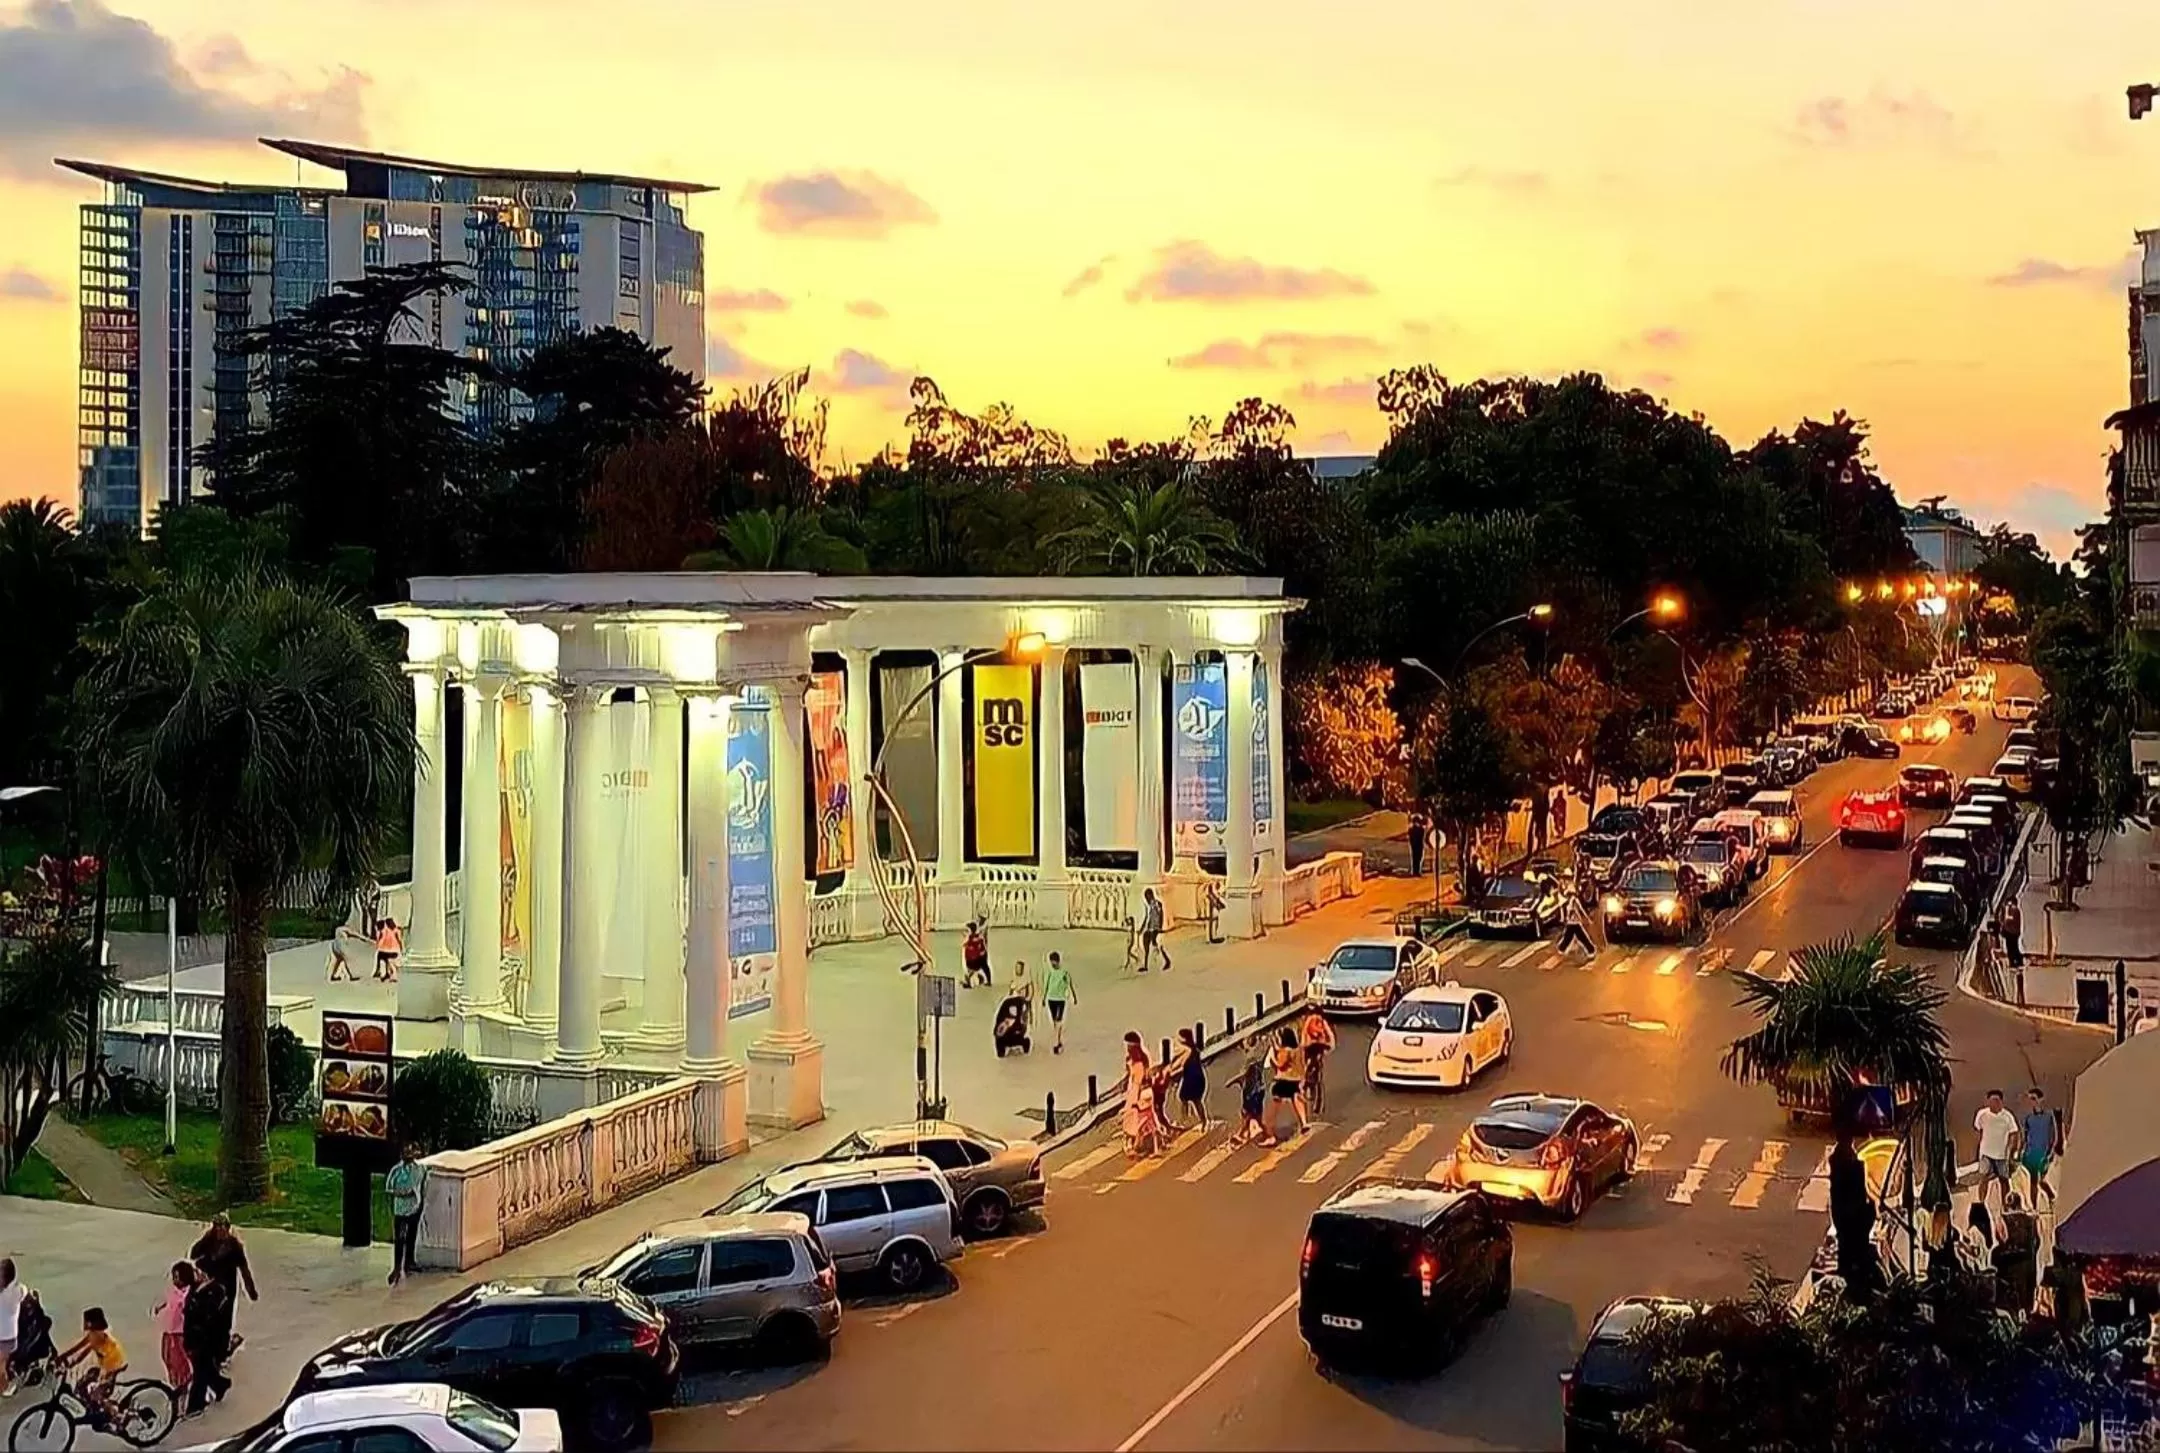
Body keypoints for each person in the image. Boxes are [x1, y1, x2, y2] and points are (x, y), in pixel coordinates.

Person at [188, 1213, 257, 1359]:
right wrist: (204, 1239)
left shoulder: (235, 1246)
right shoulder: (207, 1242)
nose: (220, 1230)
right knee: (206, 1317)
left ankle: (222, 1348)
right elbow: (193, 1255)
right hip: (208, 1286)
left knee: (224, 1319)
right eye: (217, 1227)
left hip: (227, 1287)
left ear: (228, 1228)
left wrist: (250, 1290)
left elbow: (244, 1269)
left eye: (222, 1227)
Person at [57, 1307, 125, 1423]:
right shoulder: (94, 1335)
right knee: (81, 1385)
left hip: (112, 1367)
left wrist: (70, 1361)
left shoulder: (101, 1338)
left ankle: (116, 1415)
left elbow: (86, 1351)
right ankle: (92, 1408)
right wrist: (63, 1358)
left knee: (96, 1394)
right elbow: (79, 1348)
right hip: (105, 1365)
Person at [181, 1265, 231, 1414]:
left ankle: (195, 1407)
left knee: (199, 1374)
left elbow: (210, 1318)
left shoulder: (216, 1291)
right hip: (193, 1336)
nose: (195, 1273)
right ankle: (220, 1384)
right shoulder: (195, 1288)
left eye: (198, 1271)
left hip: (206, 1338)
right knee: (204, 1368)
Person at [386, 1144, 427, 1285]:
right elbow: (389, 1188)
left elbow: (420, 1185)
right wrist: (399, 1193)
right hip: (400, 1209)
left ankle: (409, 1262)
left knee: (411, 1235)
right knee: (399, 1238)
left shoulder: (420, 1169)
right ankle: (397, 1267)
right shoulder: (396, 1170)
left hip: (414, 1207)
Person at [2017, 1087, 2064, 1210]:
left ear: (2040, 1100)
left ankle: (2051, 1197)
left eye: (2034, 1099)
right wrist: (2021, 1150)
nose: (2031, 1102)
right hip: (2031, 1152)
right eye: (2030, 1099)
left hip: (2044, 1152)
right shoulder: (2028, 1118)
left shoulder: (2049, 1116)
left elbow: (2054, 1134)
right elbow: (2024, 1136)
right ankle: (2034, 1208)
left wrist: (2052, 1150)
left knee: (2040, 1179)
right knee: (2033, 1181)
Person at [153, 1263, 193, 1394]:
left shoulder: (188, 1294)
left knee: (179, 1361)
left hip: (179, 1332)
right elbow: (169, 1301)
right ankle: (174, 1382)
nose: (174, 1280)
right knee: (166, 1357)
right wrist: (160, 1307)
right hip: (168, 1329)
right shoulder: (173, 1290)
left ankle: (184, 1385)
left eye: (177, 1277)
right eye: (173, 1277)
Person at [1974, 1089, 2018, 1207]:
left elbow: (2014, 1133)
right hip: (1986, 1153)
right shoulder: (1982, 1115)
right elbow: (1978, 1130)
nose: (1994, 1103)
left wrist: (2011, 1151)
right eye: (1992, 1100)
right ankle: (1981, 1204)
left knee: (2004, 1180)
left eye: (1997, 1100)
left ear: (2001, 1102)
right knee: (1984, 1178)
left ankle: (2005, 1205)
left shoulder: (2007, 1116)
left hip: (2001, 1154)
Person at [1120, 1040, 1160, 1159]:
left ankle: (1133, 1144)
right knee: (1148, 1120)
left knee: (1133, 1119)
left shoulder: (1138, 1064)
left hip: (1140, 1093)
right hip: (1146, 1091)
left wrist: (1133, 1100)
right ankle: (1150, 1146)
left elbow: (1137, 1082)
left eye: (1129, 1048)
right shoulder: (1143, 1059)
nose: (1127, 1050)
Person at [1268, 1026, 1308, 1141]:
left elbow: (1280, 1064)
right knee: (1297, 1100)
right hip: (1296, 1079)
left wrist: (1272, 1059)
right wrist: (1274, 1044)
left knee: (1275, 1103)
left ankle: (1269, 1128)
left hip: (1284, 1080)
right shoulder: (1298, 1049)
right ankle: (1304, 1123)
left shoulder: (1286, 1050)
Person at [1298, 1007, 1336, 1116]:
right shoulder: (1314, 1025)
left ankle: (1313, 1102)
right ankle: (1309, 1094)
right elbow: (1304, 1042)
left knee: (1314, 1077)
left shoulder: (1312, 1023)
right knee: (1312, 1076)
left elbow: (1304, 1041)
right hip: (1313, 1053)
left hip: (1314, 1053)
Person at [1040, 952, 1076, 1054]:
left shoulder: (1064, 972)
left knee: (1059, 1020)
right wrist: (1044, 998)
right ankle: (1058, 1040)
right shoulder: (1049, 972)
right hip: (1051, 999)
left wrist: (1073, 997)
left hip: (1060, 999)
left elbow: (1069, 984)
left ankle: (1056, 1042)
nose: (1052, 964)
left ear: (1058, 961)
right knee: (1054, 1021)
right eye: (1051, 962)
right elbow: (1046, 985)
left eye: (1054, 961)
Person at [1172, 1027, 1207, 1129]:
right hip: (1198, 1077)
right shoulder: (1194, 1048)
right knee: (1196, 1101)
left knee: (1184, 1098)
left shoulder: (1186, 1049)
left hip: (1191, 1078)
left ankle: (1185, 1120)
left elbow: (1180, 1064)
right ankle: (1203, 1121)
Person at [0, 1257, 21, 1398]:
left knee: (1, 1367)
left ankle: (4, 1389)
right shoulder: (15, 1291)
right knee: (1, 1366)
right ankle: (4, 1390)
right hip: (7, 1338)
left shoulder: (11, 1294)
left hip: (6, 1339)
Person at [1556, 889, 1598, 957]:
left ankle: (1591, 950)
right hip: (1572, 922)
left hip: (1574, 922)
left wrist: (1586, 918)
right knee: (1573, 936)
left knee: (1576, 936)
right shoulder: (1568, 902)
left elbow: (1579, 910)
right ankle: (1591, 950)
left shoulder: (1574, 900)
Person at [1139, 888, 1169, 973]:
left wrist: (1159, 927)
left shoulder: (1157, 904)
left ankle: (1166, 960)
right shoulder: (1149, 906)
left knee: (1155, 943)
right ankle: (1145, 965)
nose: (1146, 899)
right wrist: (1142, 928)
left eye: (1147, 897)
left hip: (1155, 928)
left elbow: (1160, 915)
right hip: (1150, 928)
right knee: (1146, 942)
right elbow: (1147, 917)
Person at [373, 917, 403, 982]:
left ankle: (382, 973)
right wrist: (401, 948)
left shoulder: (383, 930)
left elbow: (378, 938)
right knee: (390, 961)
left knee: (382, 959)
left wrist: (377, 945)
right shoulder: (396, 930)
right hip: (394, 949)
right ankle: (393, 975)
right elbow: (400, 940)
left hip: (383, 949)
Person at [1998, 899, 2023, 967]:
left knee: (2013, 948)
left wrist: (2006, 912)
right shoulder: (2013, 910)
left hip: (2012, 932)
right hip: (2011, 932)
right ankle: (2015, 961)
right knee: (2012, 948)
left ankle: (2016, 961)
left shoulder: (2015, 910)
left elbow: (2008, 920)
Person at [1406, 811, 1429, 879]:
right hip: (1419, 845)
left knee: (1414, 858)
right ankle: (1417, 872)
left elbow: (1409, 837)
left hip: (1414, 845)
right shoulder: (1421, 829)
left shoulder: (1411, 829)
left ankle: (1415, 872)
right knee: (1418, 858)